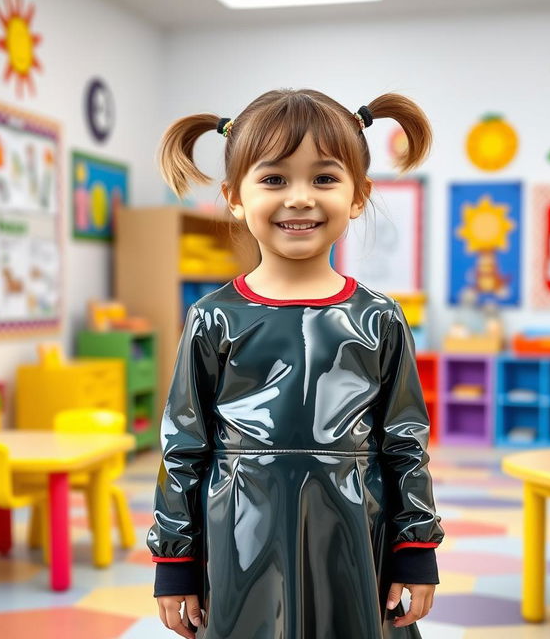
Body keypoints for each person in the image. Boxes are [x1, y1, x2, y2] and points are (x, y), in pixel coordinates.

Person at [147, 88, 445, 639]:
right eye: (275, 179)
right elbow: (183, 445)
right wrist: (175, 563)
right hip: (240, 536)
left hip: (356, 534)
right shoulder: (212, 318)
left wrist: (416, 551)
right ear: (235, 196)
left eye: (325, 178)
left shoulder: (380, 319)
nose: (301, 197)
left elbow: (404, 441)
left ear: (359, 195)